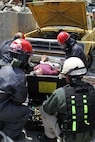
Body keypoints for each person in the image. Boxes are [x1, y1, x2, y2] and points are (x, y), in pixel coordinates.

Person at [40, 57, 95, 142]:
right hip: (90, 136)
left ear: (68, 77)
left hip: (69, 138)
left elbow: (47, 109)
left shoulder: (60, 93)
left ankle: (50, 137)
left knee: (43, 109)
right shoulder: (92, 90)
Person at [0, 38, 33, 141]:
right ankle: (8, 136)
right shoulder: (17, 75)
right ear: (22, 58)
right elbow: (20, 99)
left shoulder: (2, 65)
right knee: (25, 111)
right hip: (1, 107)